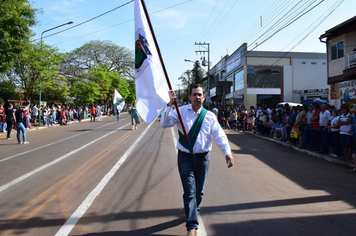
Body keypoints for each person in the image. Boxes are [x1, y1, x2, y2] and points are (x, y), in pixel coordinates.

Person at [160, 85, 234, 236]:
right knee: (189, 192)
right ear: (189, 97)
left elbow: (219, 136)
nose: (197, 97)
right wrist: (169, 105)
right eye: (194, 94)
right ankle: (192, 226)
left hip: (203, 159)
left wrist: (227, 153)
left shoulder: (209, 116)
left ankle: (194, 210)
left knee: (199, 192)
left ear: (204, 97)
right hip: (185, 158)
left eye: (200, 94)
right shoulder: (180, 111)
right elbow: (164, 123)